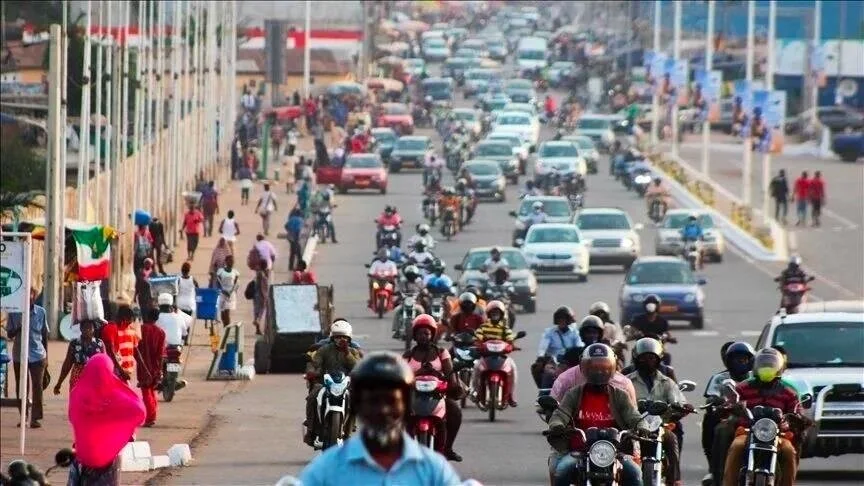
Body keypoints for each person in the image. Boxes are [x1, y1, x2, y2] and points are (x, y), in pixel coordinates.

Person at [299, 351, 462, 485]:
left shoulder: (434, 470)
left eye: (391, 401)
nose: (383, 410)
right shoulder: (325, 470)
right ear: (357, 404)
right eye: (373, 401)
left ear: (405, 404)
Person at [547, 344, 644, 486]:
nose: (599, 372)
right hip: (580, 451)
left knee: (635, 473)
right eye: (594, 368)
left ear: (612, 368)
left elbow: (633, 416)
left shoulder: (620, 395)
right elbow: (561, 413)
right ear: (584, 368)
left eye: (604, 368)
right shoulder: (574, 393)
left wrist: (642, 426)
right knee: (562, 470)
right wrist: (557, 425)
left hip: (614, 451)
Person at [721, 348, 803, 486]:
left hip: (777, 435)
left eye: (771, 365)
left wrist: (795, 419)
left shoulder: (788, 393)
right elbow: (730, 403)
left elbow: (796, 411)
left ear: (779, 368)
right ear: (755, 366)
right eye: (763, 364)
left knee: (789, 451)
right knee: (736, 446)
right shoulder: (742, 388)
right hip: (748, 432)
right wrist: (732, 406)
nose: (767, 368)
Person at [67, 354, 145, 486]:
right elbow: (139, 411)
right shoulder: (115, 396)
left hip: (82, 454)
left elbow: (72, 417)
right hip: (108, 457)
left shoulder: (77, 393)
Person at [627, 338, 688, 486]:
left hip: (658, 427)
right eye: (643, 358)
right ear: (636, 359)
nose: (647, 361)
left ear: (658, 359)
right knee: (621, 446)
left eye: (651, 357)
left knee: (672, 438)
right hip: (633, 428)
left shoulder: (667, 382)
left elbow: (678, 401)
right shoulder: (627, 381)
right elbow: (619, 401)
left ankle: (673, 479)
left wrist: (682, 407)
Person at [403, 315, 463, 461]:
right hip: (413, 396)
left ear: (432, 335)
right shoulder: (408, 355)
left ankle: (447, 448)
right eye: (420, 333)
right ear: (414, 335)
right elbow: (400, 374)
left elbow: (449, 373)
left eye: (427, 333)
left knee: (455, 411)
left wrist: (452, 383)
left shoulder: (441, 352)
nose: (423, 336)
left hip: (438, 394)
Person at [550, 317, 637, 404]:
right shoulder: (572, 353)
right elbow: (560, 373)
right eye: (588, 333)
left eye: (594, 333)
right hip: (575, 391)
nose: (591, 335)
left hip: (607, 394)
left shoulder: (610, 353)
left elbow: (632, 414)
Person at [303, 320, 363, 447]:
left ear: (349, 339)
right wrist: (312, 372)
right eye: (337, 336)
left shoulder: (353, 352)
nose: (340, 339)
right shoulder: (324, 350)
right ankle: (311, 430)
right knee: (312, 397)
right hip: (325, 384)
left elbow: (357, 367)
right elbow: (315, 363)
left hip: (346, 384)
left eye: (344, 337)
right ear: (332, 337)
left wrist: (347, 353)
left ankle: (348, 431)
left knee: (355, 400)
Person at [703, 342, 755, 485]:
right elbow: (711, 397)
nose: (740, 362)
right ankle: (716, 472)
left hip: (756, 419)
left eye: (743, 359)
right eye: (735, 359)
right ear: (728, 361)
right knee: (718, 428)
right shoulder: (720, 378)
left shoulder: (755, 377)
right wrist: (717, 402)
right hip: (729, 417)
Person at [6, 287, 48, 428]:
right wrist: (19, 327)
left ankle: (35, 418)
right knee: (22, 387)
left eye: (31, 295)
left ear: (34, 297)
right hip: (20, 355)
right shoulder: (14, 313)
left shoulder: (41, 312)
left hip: (37, 355)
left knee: (38, 387)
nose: (28, 298)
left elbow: (44, 335)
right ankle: (23, 416)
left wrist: (46, 357)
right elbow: (10, 334)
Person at [471, 300, 519, 407]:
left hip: (501, 356)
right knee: (476, 368)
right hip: (486, 356)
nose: (495, 315)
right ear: (489, 314)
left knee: (513, 368)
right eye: (493, 313)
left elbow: (510, 338)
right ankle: (476, 392)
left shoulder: (504, 328)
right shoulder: (483, 327)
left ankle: (511, 395)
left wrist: (512, 345)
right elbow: (477, 337)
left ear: (501, 315)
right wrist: (477, 343)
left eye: (497, 313)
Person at [54, 320, 119, 394]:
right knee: (77, 401)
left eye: (90, 328)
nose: (87, 330)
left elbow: (105, 364)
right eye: (85, 328)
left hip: (95, 378)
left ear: (94, 329)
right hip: (77, 377)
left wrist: (109, 380)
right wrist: (59, 383)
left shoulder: (99, 343)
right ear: (81, 329)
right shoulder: (74, 344)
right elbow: (67, 364)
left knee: (93, 403)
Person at [533, 306, 582, 388]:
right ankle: (543, 395)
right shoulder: (549, 332)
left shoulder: (575, 333)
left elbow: (580, 346)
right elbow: (542, 347)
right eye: (559, 319)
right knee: (548, 373)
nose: (561, 321)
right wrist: (540, 356)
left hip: (570, 362)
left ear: (569, 320)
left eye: (564, 319)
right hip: (554, 363)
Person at [136, 308, 166, 427]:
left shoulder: (141, 330)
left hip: (143, 364)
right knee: (152, 390)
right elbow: (161, 353)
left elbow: (136, 348)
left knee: (146, 392)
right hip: (156, 365)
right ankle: (152, 415)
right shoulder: (161, 332)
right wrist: (160, 369)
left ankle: (150, 417)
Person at [101, 304, 139, 383]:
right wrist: (121, 371)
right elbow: (111, 352)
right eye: (129, 322)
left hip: (120, 370)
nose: (128, 325)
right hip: (114, 370)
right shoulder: (111, 328)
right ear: (124, 319)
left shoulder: (125, 329)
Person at [215, 255, 240, 327]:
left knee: (227, 312)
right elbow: (217, 283)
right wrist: (222, 291)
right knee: (223, 313)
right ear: (226, 262)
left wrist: (232, 291)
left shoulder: (235, 273)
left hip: (230, 295)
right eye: (230, 261)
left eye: (232, 261)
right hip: (222, 294)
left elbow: (236, 284)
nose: (231, 263)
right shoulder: (220, 272)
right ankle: (225, 326)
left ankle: (228, 329)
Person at [253, 260, 270, 334]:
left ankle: (257, 329)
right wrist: (264, 297)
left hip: (256, 295)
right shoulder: (262, 275)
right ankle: (258, 320)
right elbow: (263, 287)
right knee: (261, 310)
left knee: (256, 310)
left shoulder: (258, 273)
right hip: (261, 295)